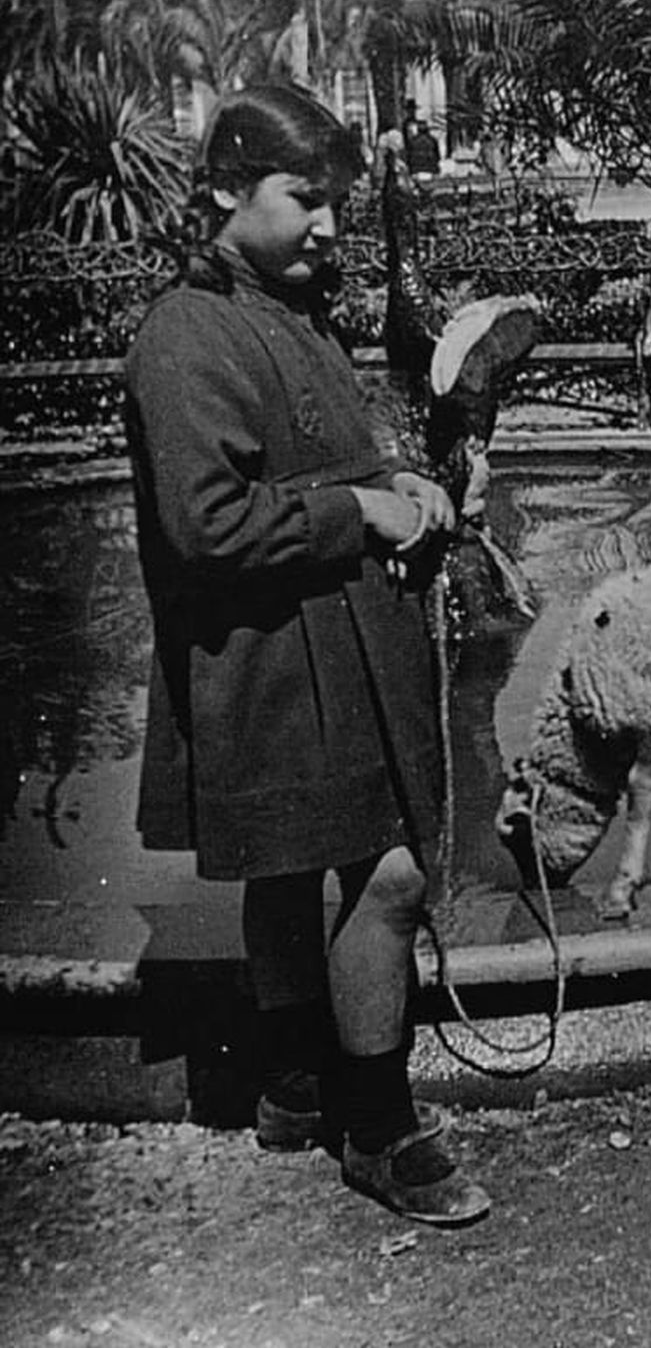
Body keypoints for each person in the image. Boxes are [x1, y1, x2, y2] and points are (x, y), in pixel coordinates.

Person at [122, 84, 489, 1228]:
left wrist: (401, 485)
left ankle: (290, 1082)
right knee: (388, 874)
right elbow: (207, 525)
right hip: (269, 653)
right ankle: (381, 1126)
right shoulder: (183, 336)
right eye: (305, 198)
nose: (329, 224)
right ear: (229, 189)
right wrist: (363, 519)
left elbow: (315, 460)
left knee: (290, 868)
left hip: (330, 641)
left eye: (334, 199)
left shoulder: (292, 307)